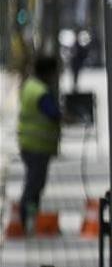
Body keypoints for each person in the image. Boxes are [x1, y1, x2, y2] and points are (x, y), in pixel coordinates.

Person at [17, 55, 62, 233]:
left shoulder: (30, 85)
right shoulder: (41, 91)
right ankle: (23, 221)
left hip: (28, 143)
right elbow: (52, 113)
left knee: (35, 185)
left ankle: (30, 221)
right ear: (48, 72)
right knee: (33, 186)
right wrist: (67, 118)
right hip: (37, 146)